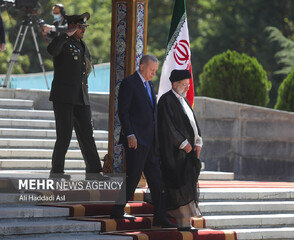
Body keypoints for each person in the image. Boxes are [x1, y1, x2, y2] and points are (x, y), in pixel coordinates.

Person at [110, 55, 178, 228]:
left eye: (155, 71)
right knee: (133, 178)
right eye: (151, 70)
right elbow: (123, 112)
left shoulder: (150, 84)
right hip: (136, 141)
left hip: (151, 142)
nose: (153, 74)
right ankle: (117, 210)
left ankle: (160, 216)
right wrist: (130, 134)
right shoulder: (129, 83)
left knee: (156, 179)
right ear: (141, 66)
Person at [47, 12, 108, 181]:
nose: (83, 30)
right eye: (80, 27)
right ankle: (57, 172)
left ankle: (94, 172)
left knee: (87, 135)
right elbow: (51, 50)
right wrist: (65, 34)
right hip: (64, 97)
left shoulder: (82, 45)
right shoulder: (62, 41)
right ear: (71, 26)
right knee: (64, 135)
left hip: (81, 97)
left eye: (84, 28)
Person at [157, 69, 203, 232]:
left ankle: (187, 221)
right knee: (179, 188)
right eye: (184, 85)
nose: (187, 88)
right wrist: (184, 143)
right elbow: (168, 126)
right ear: (175, 84)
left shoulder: (183, 101)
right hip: (175, 154)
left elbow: (193, 124)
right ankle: (183, 223)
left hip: (188, 155)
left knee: (187, 186)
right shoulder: (166, 100)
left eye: (188, 85)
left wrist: (198, 141)